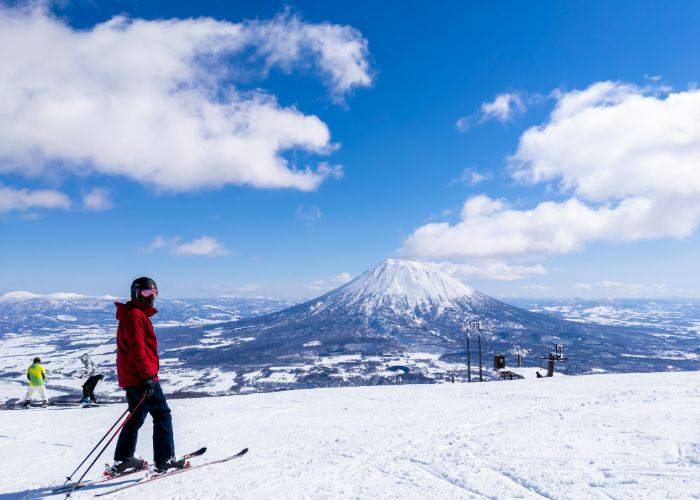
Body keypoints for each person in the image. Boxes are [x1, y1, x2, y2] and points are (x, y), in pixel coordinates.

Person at [108, 277, 186, 475]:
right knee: (162, 414)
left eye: (154, 293)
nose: (152, 297)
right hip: (141, 377)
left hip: (134, 376)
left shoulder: (135, 314)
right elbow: (137, 349)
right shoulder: (135, 315)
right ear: (136, 293)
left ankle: (123, 459)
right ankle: (164, 460)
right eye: (146, 293)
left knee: (136, 415)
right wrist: (148, 377)